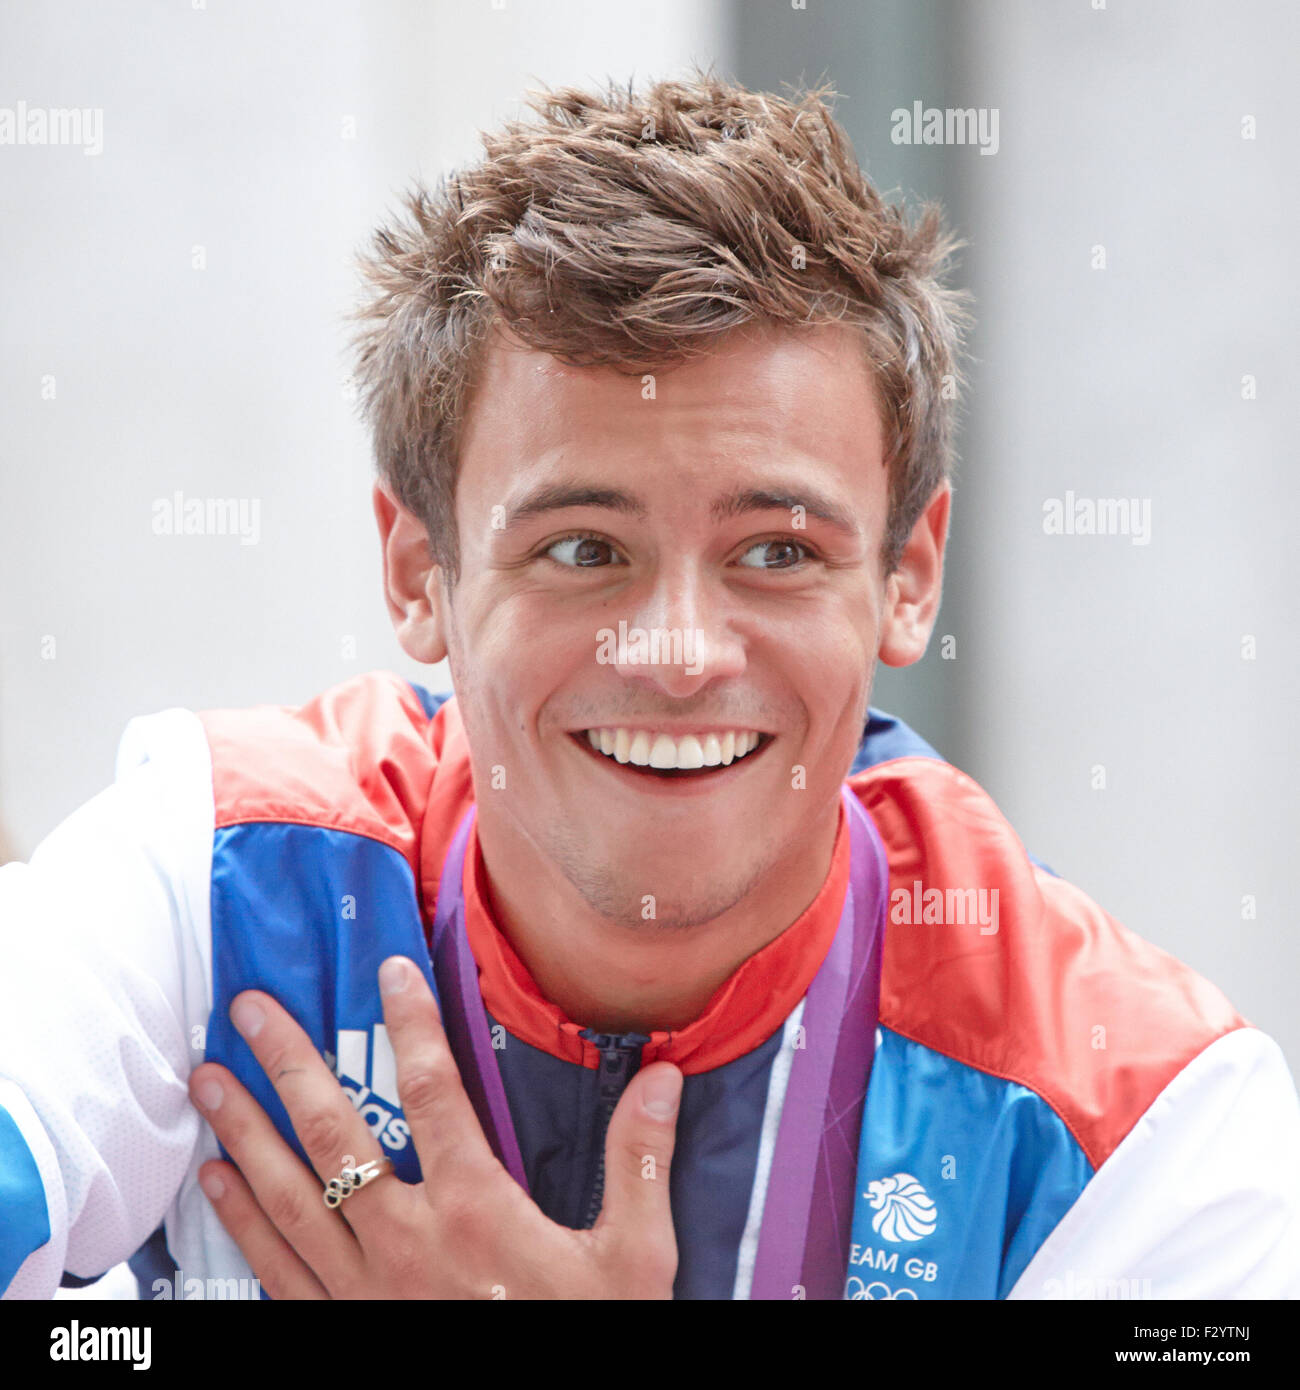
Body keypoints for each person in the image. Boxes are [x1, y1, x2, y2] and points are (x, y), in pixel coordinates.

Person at [2, 71, 1297, 1302]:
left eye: (776, 551)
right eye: (583, 548)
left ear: (908, 572)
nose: (678, 651)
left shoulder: (1142, 1115)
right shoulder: (216, 879)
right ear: (420, 569)